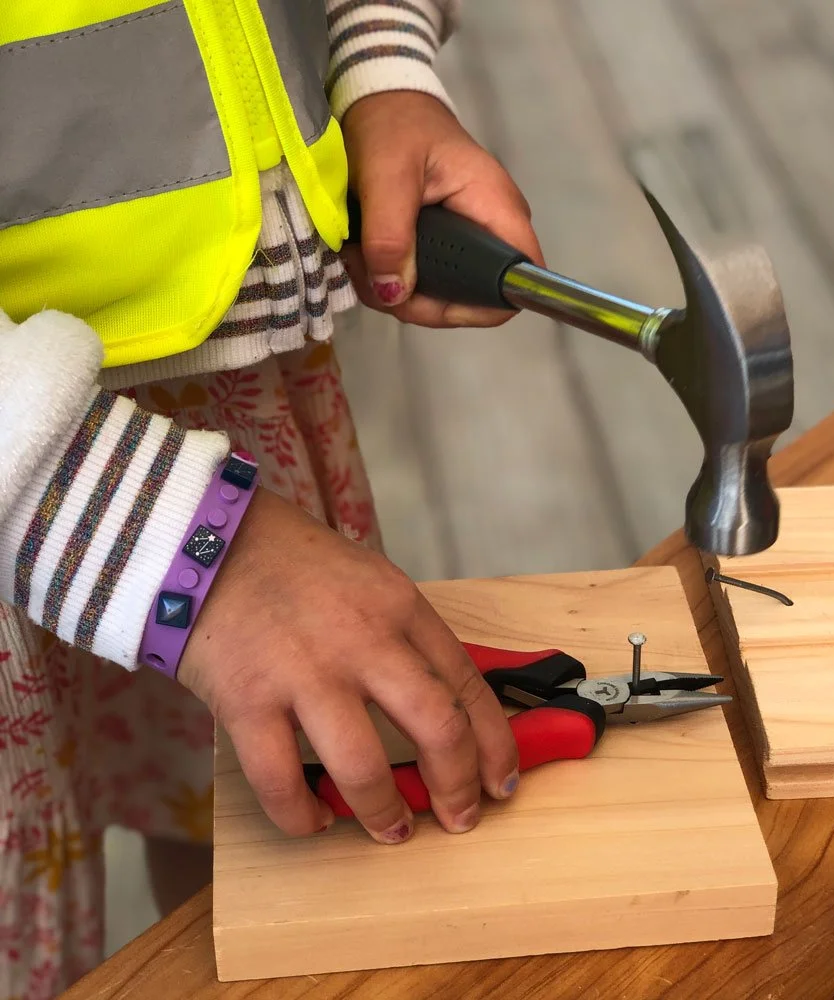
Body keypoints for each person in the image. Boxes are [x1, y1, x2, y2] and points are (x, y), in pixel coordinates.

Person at [0, 2, 545, 995]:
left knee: (242, 824)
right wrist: (183, 552)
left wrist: (379, 60)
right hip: (61, 474)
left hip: (221, 397)